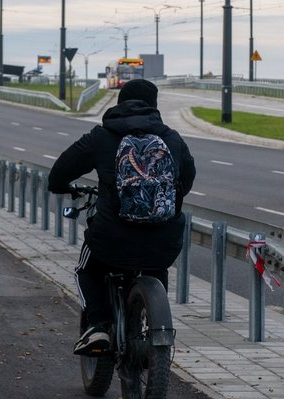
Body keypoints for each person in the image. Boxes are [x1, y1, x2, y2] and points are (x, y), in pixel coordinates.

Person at [48, 79, 196, 355]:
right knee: (155, 266)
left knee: (86, 270)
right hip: (163, 238)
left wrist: (60, 186)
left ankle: (98, 326)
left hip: (111, 237)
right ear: (154, 105)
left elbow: (60, 172)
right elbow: (186, 180)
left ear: (119, 102)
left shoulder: (101, 136)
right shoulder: (172, 138)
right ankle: (150, 326)